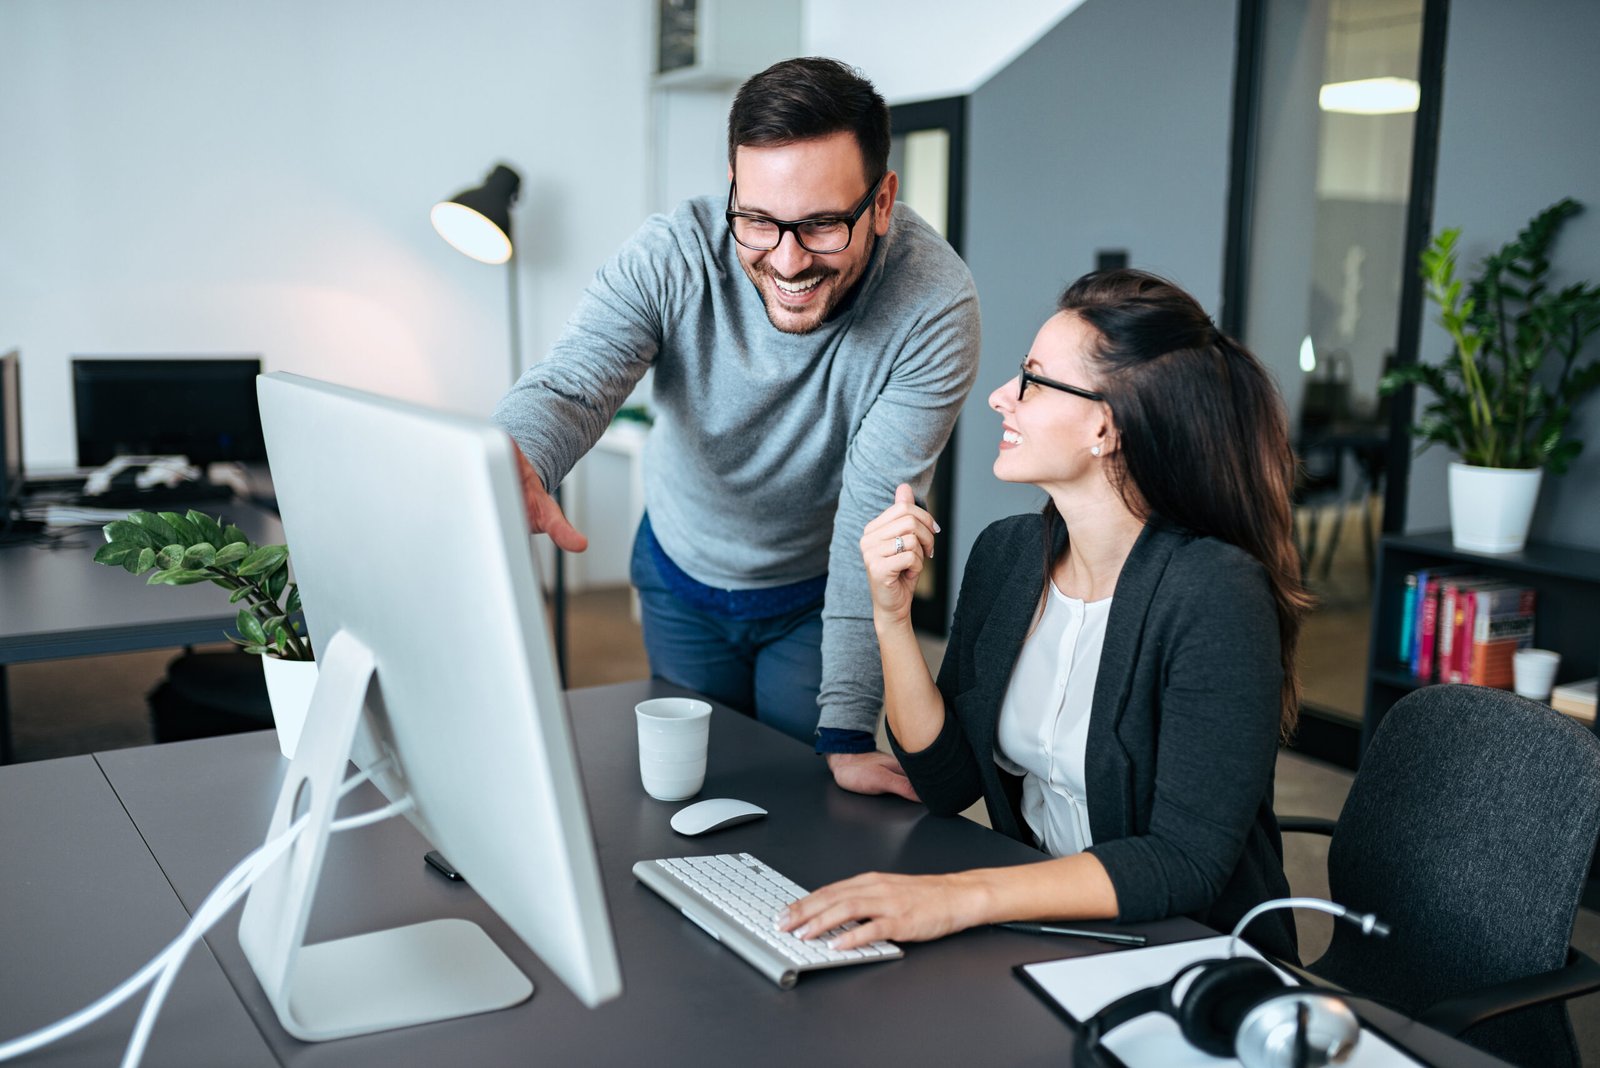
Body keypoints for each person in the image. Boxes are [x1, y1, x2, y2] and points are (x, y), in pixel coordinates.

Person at [780, 268, 1310, 960]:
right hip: (1049, 933)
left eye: (1032, 380)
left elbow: (1185, 861)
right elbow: (946, 781)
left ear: (1106, 425)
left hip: (1190, 957)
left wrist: (960, 897)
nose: (1002, 397)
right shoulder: (1009, 556)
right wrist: (891, 615)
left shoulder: (1214, 594)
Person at [493, 57, 980, 799]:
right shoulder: (674, 253)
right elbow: (573, 381)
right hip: (681, 572)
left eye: (821, 225)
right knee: (688, 790)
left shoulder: (932, 305)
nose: (786, 261)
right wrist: (517, 452)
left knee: (802, 794)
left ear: (882, 202)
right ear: (732, 187)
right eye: (757, 220)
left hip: (814, 595)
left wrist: (848, 727)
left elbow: (874, 510)